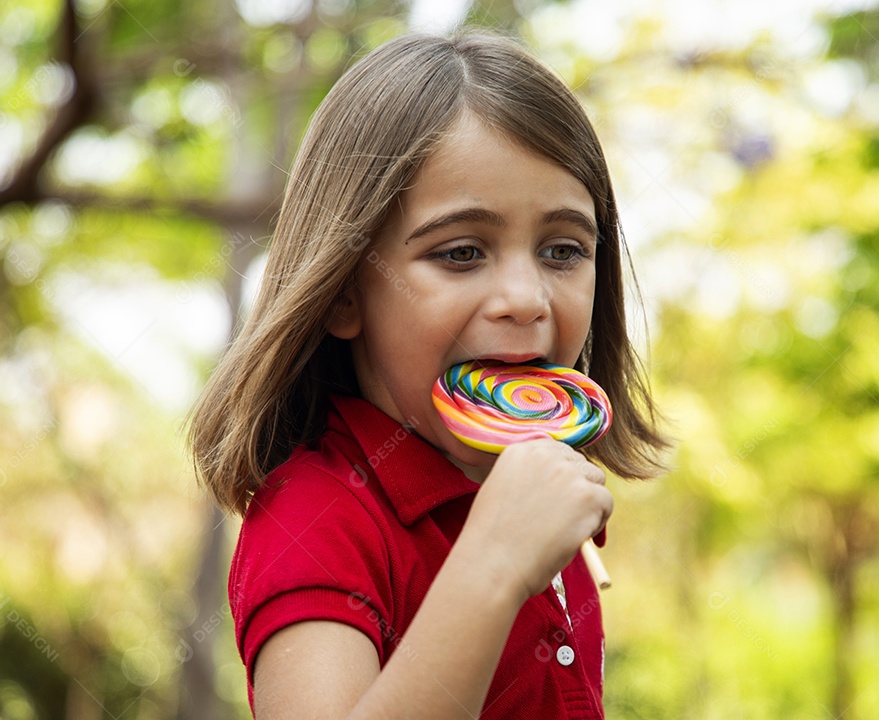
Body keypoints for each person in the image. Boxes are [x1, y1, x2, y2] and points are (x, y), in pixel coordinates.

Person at [188, 30, 668, 720]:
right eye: (462, 252)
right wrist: (495, 565)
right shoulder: (317, 514)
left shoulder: (541, 494)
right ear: (347, 290)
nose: (526, 299)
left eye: (563, 250)